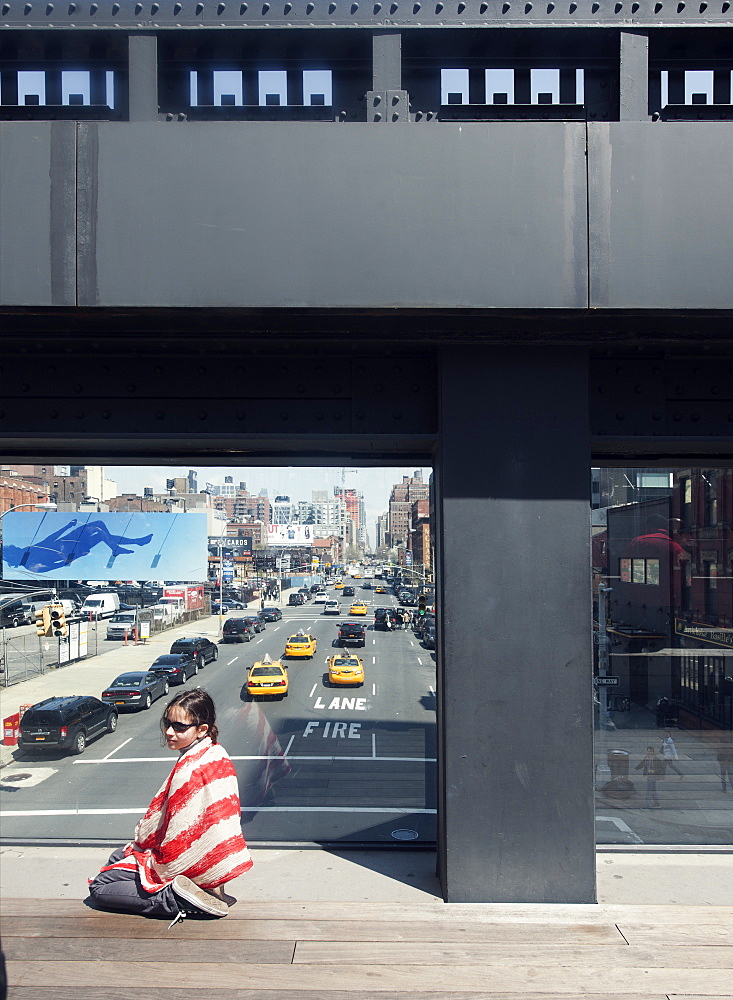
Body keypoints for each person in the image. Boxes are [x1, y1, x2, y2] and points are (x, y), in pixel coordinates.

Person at [89, 689, 252, 926]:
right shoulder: (215, 753)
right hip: (215, 861)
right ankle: (205, 887)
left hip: (185, 864)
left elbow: (177, 834)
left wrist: (152, 851)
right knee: (117, 858)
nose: (169, 732)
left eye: (179, 727)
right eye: (167, 723)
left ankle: (175, 899)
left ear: (202, 729)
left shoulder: (190, 770)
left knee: (100, 886)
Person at [3, 518, 153, 574]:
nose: (19, 548)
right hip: (72, 549)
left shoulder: (27, 552)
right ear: (14, 556)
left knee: (101, 530)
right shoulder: (32, 566)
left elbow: (49, 539)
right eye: (16, 550)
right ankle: (132, 543)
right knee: (101, 533)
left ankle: (121, 546)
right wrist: (74, 557)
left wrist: (67, 527)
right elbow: (60, 565)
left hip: (68, 540)